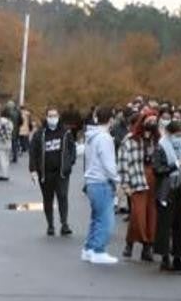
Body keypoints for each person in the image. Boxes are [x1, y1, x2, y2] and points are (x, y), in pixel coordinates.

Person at [153, 120, 181, 272]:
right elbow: (158, 169)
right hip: (166, 188)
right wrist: (175, 165)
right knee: (165, 224)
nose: (179, 138)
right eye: (177, 135)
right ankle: (165, 258)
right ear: (169, 133)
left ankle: (178, 257)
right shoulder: (161, 146)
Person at [29, 108, 76, 237]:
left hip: (62, 172)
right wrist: (33, 170)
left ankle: (64, 224)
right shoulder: (40, 134)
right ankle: (50, 225)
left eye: (55, 115)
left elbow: (72, 149)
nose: (52, 118)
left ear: (59, 116)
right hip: (45, 172)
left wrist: (70, 163)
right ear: (46, 117)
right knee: (48, 199)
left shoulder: (65, 132)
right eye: (50, 116)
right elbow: (33, 152)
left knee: (62, 196)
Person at [118, 110, 158, 262]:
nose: (152, 124)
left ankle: (147, 247)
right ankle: (130, 242)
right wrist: (125, 184)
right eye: (149, 121)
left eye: (155, 121)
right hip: (137, 178)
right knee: (138, 214)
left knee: (152, 216)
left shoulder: (157, 139)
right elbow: (122, 162)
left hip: (154, 179)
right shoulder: (130, 139)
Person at [82, 107, 120, 265]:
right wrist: (117, 179)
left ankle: (89, 248)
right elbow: (108, 163)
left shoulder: (91, 136)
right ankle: (98, 250)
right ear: (111, 120)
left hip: (91, 181)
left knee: (96, 218)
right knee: (105, 219)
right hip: (101, 182)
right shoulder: (104, 138)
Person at [0, 110, 15, 181]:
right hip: (8, 142)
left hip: (1, 142)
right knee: (6, 159)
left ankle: (4, 175)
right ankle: (6, 173)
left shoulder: (0, 122)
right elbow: (11, 130)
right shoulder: (10, 123)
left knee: (2, 159)